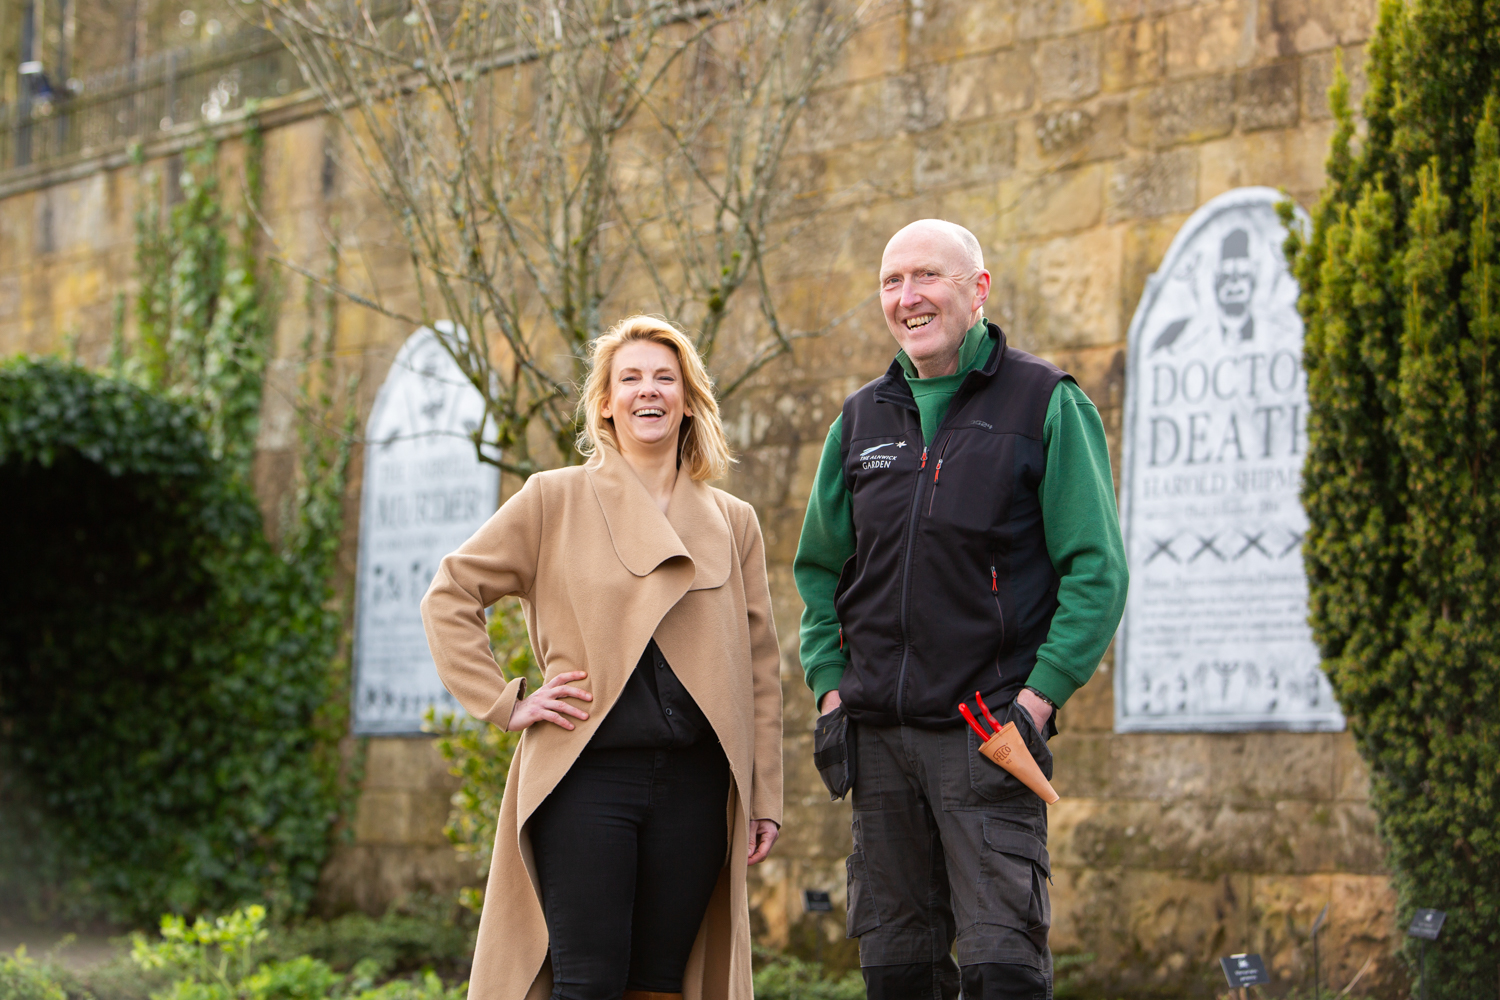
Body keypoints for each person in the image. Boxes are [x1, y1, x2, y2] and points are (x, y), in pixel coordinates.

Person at [794, 219, 1128, 999]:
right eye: (891, 282)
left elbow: (1096, 571)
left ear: (978, 289)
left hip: (987, 736)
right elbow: (818, 569)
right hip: (875, 738)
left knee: (1002, 968)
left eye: (927, 278)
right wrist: (830, 686)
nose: (907, 298)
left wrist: (1037, 703)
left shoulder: (1046, 402)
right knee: (896, 970)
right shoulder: (859, 421)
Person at [421, 315, 783, 1000]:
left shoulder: (734, 521)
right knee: (586, 982)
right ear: (606, 403)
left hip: (697, 787)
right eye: (631, 379)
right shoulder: (552, 499)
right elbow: (452, 593)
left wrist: (764, 795)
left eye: (665, 379)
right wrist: (507, 702)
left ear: (688, 398)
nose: (649, 392)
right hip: (586, 777)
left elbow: (761, 670)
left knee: (661, 984)